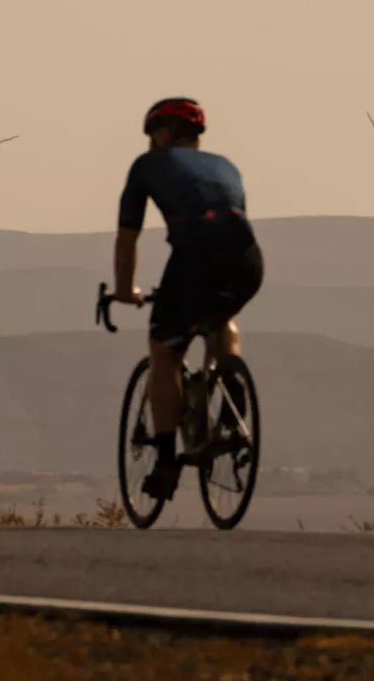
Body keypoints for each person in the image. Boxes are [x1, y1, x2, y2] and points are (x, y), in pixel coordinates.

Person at [111, 97, 264, 503]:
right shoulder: (225, 166)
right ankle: (230, 378)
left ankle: (165, 460)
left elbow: (127, 237)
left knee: (165, 352)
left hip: (194, 258)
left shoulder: (147, 166)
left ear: (163, 133)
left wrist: (124, 290)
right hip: (248, 260)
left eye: (151, 134)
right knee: (220, 316)